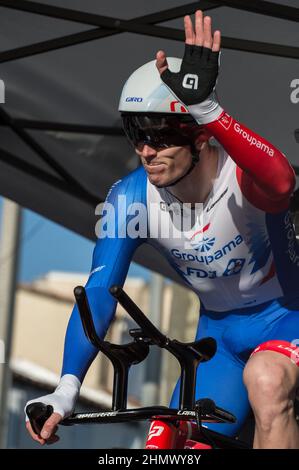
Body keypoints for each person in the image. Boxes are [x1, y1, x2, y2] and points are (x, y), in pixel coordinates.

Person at [25, 10, 299, 449]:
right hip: (219, 340)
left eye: (158, 134)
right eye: (135, 132)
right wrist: (66, 388)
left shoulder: (241, 178)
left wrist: (208, 108)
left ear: (200, 136)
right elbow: (98, 294)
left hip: (288, 318)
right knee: (163, 445)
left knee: (265, 380)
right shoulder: (131, 197)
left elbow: (283, 181)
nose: (145, 149)